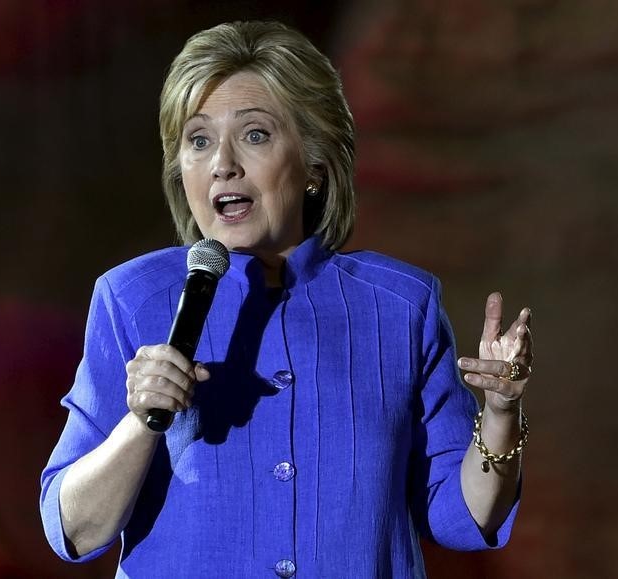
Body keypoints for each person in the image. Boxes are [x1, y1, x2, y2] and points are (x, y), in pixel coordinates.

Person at [40, 20, 534, 578]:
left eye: (254, 135)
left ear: (315, 166)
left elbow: (459, 516)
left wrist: (500, 413)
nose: (222, 162)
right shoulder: (132, 298)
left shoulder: (402, 306)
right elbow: (74, 530)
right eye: (198, 140)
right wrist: (141, 422)